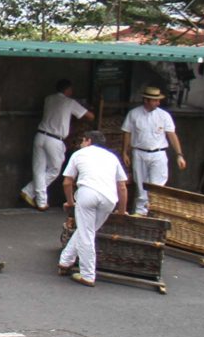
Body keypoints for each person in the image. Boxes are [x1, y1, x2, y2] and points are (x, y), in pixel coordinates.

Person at [58, 130, 130, 287]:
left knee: (86, 233)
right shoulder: (112, 157)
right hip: (109, 198)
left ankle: (88, 274)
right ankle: (65, 261)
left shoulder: (79, 154)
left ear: (88, 141)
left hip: (87, 193)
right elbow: (122, 186)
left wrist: (70, 202)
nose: (81, 144)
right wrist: (121, 211)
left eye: (83, 141)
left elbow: (67, 182)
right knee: (87, 230)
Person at [21, 79, 94, 211]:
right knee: (54, 170)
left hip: (40, 135)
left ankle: (39, 200)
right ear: (67, 90)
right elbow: (89, 116)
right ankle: (30, 192)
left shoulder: (48, 99)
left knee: (39, 168)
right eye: (71, 90)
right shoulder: (69, 102)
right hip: (54, 139)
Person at [121, 85, 185, 215]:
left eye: (158, 100)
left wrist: (179, 154)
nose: (157, 103)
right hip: (139, 152)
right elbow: (127, 132)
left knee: (157, 185)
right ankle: (141, 212)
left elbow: (171, 135)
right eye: (154, 100)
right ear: (146, 100)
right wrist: (125, 152)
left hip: (158, 153)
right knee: (140, 184)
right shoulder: (134, 114)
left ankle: (155, 211)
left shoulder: (164, 115)